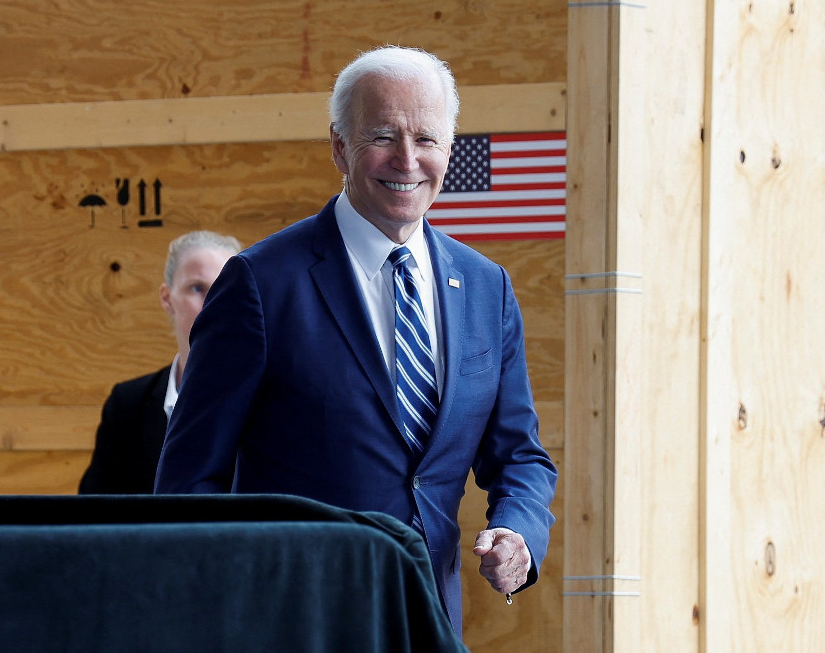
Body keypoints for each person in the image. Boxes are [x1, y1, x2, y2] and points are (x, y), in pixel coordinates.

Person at [154, 46, 557, 635]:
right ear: (340, 146)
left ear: (449, 148)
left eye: (427, 138)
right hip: (291, 624)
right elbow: (190, 478)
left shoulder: (484, 287)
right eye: (382, 137)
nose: (408, 159)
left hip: (428, 621)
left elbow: (519, 454)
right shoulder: (260, 283)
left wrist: (520, 532)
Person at [79, 230, 242, 494]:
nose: (213, 303)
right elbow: (94, 514)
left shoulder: (269, 402)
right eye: (197, 288)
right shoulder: (128, 405)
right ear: (167, 298)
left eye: (224, 289)